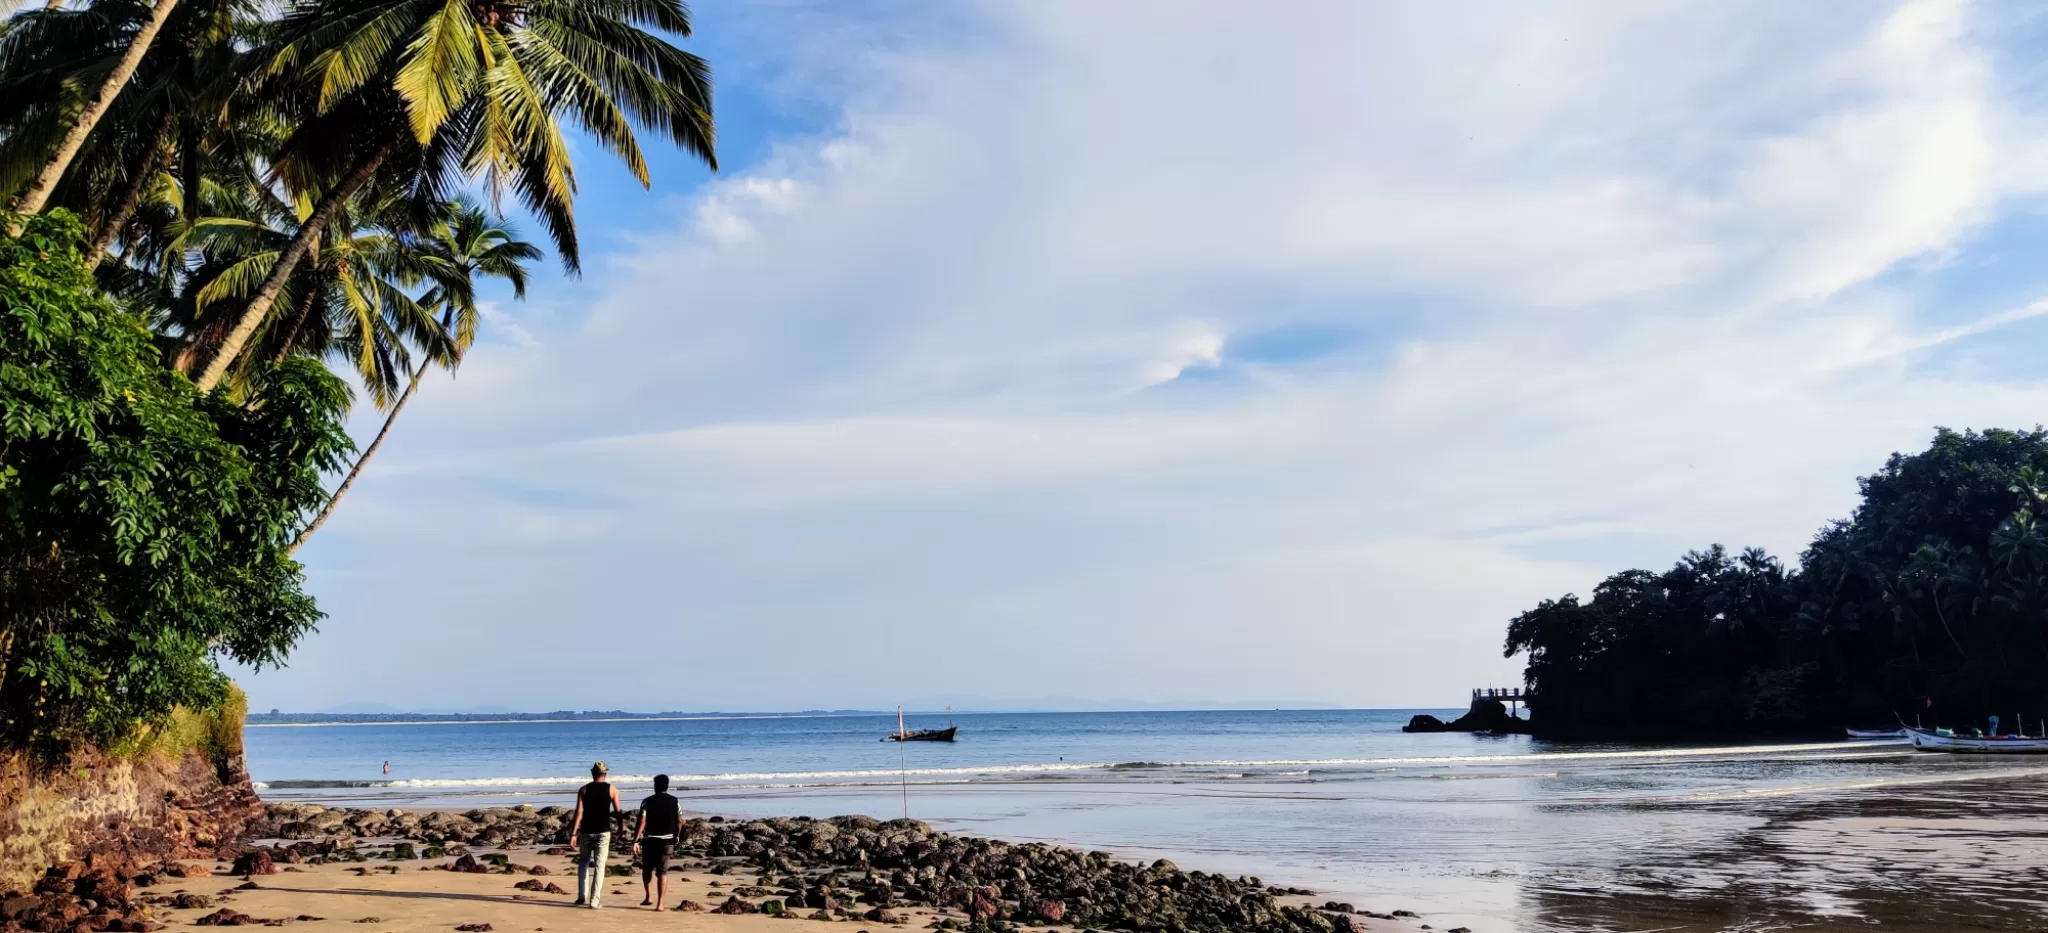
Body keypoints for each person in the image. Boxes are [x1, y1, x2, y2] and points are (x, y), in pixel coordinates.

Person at [567, 761, 621, 909]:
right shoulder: (612, 789)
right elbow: (618, 811)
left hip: (586, 831)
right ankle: (594, 900)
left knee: (583, 862)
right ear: (605, 774)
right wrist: (621, 828)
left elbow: (578, 813)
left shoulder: (584, 790)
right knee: (600, 865)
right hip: (603, 831)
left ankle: (581, 896)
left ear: (592, 773)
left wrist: (573, 834)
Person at [631, 774, 683, 910]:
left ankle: (648, 897)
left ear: (655, 786)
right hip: (667, 841)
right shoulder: (674, 801)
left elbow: (642, 822)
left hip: (650, 840)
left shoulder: (647, 801)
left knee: (647, 868)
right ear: (667, 786)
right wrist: (677, 836)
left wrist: (635, 840)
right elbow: (679, 821)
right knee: (663, 872)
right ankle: (660, 903)